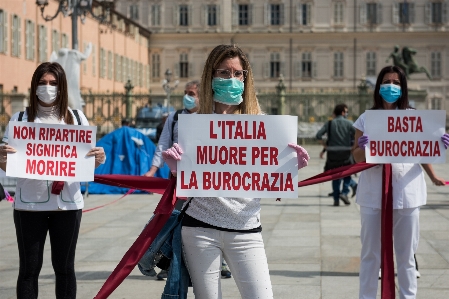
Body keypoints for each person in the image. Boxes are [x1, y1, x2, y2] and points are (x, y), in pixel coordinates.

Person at [161, 44, 310, 299]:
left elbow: (268, 178)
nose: (232, 79)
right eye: (224, 73)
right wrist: (175, 169)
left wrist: (288, 169)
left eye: (238, 74)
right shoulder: (193, 125)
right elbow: (187, 179)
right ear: (211, 76)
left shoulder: (262, 124)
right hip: (199, 227)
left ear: (246, 78)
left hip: (246, 227)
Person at [0, 62, 106, 299]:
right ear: (34, 86)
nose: (47, 88)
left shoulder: (77, 118)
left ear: (62, 87)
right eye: (42, 82)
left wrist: (99, 158)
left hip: (67, 206)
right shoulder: (19, 119)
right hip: (29, 205)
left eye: (53, 83)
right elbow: (8, 167)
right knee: (29, 269)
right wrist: (1, 159)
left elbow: (86, 162)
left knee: (65, 269)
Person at [352, 65, 449, 299]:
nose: (391, 87)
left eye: (396, 83)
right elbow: (355, 156)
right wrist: (363, 148)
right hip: (374, 195)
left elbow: (422, 153)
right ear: (378, 86)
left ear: (403, 87)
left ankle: (408, 296)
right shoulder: (366, 119)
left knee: (406, 256)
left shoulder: (414, 118)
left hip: (408, 192)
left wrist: (437, 148)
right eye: (387, 81)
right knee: (370, 254)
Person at [144, 80, 200, 178]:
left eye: (191, 94)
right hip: (177, 174)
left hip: (201, 174)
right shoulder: (174, 117)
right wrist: (152, 171)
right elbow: (163, 144)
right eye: (185, 93)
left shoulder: (209, 117)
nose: (186, 97)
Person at [316, 104, 356, 206]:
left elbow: (318, 135)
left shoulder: (329, 123)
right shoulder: (349, 123)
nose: (346, 113)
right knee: (347, 174)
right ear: (342, 112)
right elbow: (358, 134)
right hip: (346, 153)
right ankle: (344, 193)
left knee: (335, 175)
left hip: (332, 153)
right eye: (346, 111)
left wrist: (325, 146)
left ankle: (336, 198)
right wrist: (354, 146)